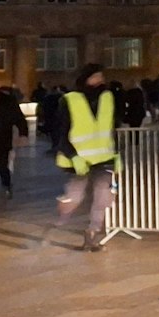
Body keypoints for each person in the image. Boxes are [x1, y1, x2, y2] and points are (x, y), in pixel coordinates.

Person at [55, 64, 119, 252]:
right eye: (95, 77)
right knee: (73, 198)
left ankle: (92, 234)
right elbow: (62, 131)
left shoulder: (108, 98)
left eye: (101, 76)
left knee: (103, 199)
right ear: (85, 79)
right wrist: (73, 155)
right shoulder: (69, 100)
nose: (100, 80)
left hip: (104, 158)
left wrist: (116, 154)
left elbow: (111, 128)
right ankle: (63, 211)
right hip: (79, 160)